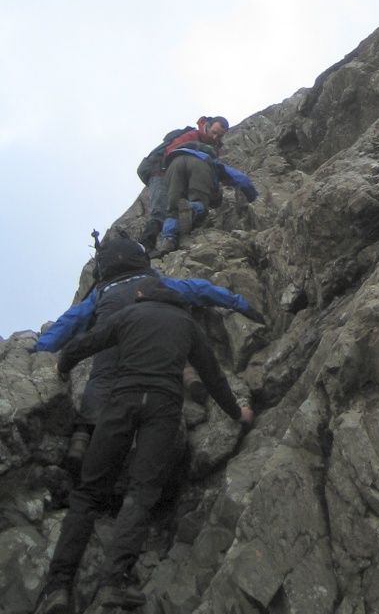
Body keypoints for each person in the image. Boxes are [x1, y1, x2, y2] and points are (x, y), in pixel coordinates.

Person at [35, 280, 254, 614]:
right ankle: (113, 584)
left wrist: (63, 366)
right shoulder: (187, 324)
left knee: (88, 493)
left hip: (121, 401)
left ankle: (58, 588)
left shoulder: (129, 315)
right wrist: (237, 412)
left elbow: (86, 343)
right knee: (140, 492)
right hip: (164, 407)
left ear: (143, 296)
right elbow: (213, 376)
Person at [33, 234, 265, 468]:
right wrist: (240, 304)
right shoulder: (152, 282)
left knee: (102, 375)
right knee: (170, 339)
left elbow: (70, 320)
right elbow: (199, 290)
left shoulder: (101, 292)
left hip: (111, 337)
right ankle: (189, 376)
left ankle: (82, 437)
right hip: (156, 354)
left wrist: (40, 347)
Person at [137, 117, 230, 251]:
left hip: (175, 176)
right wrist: (200, 148)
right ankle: (146, 247)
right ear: (208, 126)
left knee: (173, 209)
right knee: (160, 211)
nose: (215, 137)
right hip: (160, 173)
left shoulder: (211, 146)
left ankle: (169, 241)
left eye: (219, 135)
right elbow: (172, 150)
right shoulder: (192, 135)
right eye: (214, 132)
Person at [156, 138, 258, 256]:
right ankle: (192, 208)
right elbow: (241, 178)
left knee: (173, 209)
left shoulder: (179, 154)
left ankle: (168, 239)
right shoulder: (210, 160)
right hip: (199, 165)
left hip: (173, 165)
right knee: (199, 202)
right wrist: (252, 197)